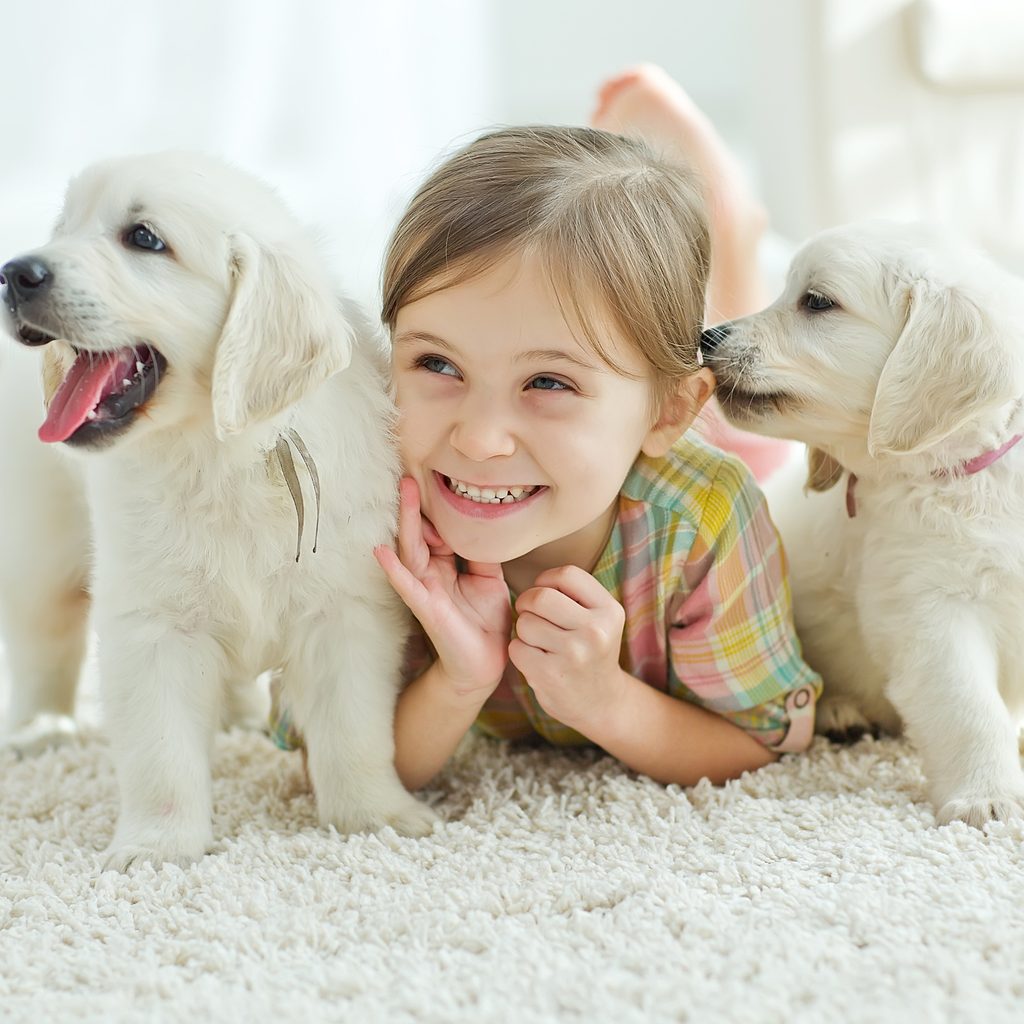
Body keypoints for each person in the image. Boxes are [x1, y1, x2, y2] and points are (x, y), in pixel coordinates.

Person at [353, 85, 822, 792]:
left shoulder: (704, 522)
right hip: (615, 450)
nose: (479, 439)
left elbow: (771, 738)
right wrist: (458, 678)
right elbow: (327, 767)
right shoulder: (365, 504)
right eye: (436, 363)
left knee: (760, 447)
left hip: (704, 462)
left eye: (548, 383)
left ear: (666, 414)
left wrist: (607, 702)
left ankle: (731, 228)